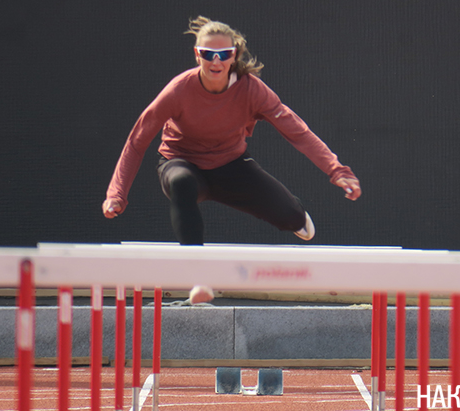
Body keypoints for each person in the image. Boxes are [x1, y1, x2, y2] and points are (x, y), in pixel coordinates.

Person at [102, 16, 361, 303]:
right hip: (181, 161)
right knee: (182, 182)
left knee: (291, 217)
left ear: (233, 55)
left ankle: (294, 215)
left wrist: (337, 170)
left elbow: (297, 131)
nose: (216, 62)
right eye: (207, 54)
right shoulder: (179, 90)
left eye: (223, 55)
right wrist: (117, 194)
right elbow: (137, 139)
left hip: (231, 166)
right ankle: (198, 278)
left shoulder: (252, 90)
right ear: (196, 55)